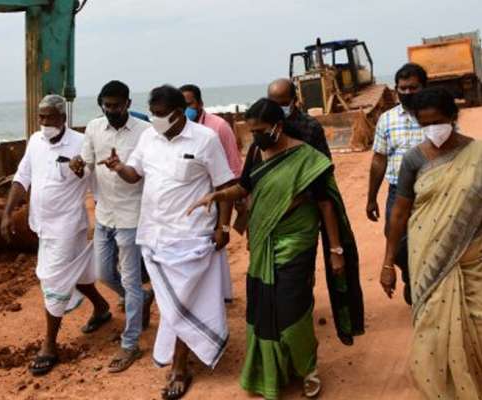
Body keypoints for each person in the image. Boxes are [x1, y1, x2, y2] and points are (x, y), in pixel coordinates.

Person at [188, 99, 364, 399]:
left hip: (297, 240)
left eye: (259, 130)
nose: (254, 136)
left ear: (277, 126)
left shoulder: (307, 158)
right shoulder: (257, 151)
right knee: (264, 306)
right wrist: (217, 195)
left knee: (292, 309)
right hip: (263, 239)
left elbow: (325, 204)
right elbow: (244, 187)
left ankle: (307, 368)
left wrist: (336, 251)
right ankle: (274, 370)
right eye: (251, 130)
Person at [99, 85, 235, 400]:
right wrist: (119, 168)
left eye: (162, 115)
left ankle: (179, 366)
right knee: (172, 304)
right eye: (153, 114)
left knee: (181, 304)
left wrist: (223, 226)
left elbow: (226, 185)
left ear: (179, 113)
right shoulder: (148, 137)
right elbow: (136, 174)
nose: (156, 120)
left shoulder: (205, 139)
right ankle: (187, 352)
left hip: (192, 237)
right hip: (154, 236)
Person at [380, 87, 482, 399]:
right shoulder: (412, 160)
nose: (432, 130)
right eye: (424, 125)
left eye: (437, 121)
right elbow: (400, 213)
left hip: (475, 257)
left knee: (478, 328)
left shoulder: (477, 155)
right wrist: (387, 263)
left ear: (453, 117)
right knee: (434, 335)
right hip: (429, 257)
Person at [0, 94, 110, 377]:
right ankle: (101, 307)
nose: (44, 122)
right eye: (41, 117)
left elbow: (96, 180)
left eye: (49, 117)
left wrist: (83, 174)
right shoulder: (35, 141)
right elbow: (22, 177)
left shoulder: (81, 143)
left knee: (54, 279)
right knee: (79, 274)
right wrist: (7, 212)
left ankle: (49, 345)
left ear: (63, 117)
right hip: (43, 226)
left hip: (68, 226)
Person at [69, 80, 154, 373]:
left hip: (132, 216)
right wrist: (80, 166)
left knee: (130, 280)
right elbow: (88, 164)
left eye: (116, 105)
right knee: (105, 273)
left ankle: (130, 344)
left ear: (128, 104)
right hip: (104, 214)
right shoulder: (93, 128)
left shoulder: (145, 133)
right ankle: (142, 298)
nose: (111, 110)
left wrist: (120, 168)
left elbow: (141, 175)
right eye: (106, 105)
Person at [367, 63, 428, 305]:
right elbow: (379, 160)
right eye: (403, 88)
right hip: (398, 192)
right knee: (396, 241)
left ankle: (423, 287)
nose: (408, 92)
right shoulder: (386, 119)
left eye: (413, 88)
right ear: (396, 89)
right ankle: (411, 274)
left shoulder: (437, 116)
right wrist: (371, 197)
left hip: (431, 192)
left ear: (424, 87)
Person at [180, 83, 242, 303]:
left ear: (200, 104)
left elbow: (233, 172)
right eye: (182, 105)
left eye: (189, 104)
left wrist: (224, 223)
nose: (186, 109)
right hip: (193, 202)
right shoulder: (180, 132)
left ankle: (218, 297)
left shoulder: (218, 128)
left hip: (219, 197)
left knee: (216, 244)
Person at [267, 78, 331, 159]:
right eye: (274, 104)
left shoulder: (310, 126)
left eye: (283, 104)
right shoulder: (266, 126)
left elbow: (324, 160)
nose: (279, 109)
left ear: (294, 100)